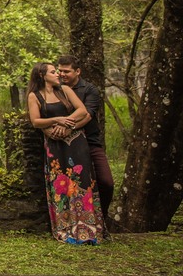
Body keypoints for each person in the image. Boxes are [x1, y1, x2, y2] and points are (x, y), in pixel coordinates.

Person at [26, 62, 103, 244]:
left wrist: (65, 123)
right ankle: (66, 229)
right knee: (61, 185)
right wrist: (55, 120)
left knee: (82, 181)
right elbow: (36, 121)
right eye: (53, 72)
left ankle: (88, 230)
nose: (58, 74)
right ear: (42, 75)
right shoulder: (34, 96)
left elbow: (82, 111)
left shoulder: (66, 90)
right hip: (54, 145)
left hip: (76, 141)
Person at [56, 55, 114, 234]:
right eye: (60, 70)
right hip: (63, 145)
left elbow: (87, 115)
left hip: (90, 141)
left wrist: (68, 128)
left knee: (105, 182)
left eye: (67, 71)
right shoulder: (55, 89)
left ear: (77, 71)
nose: (62, 74)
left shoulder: (89, 89)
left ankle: (102, 217)